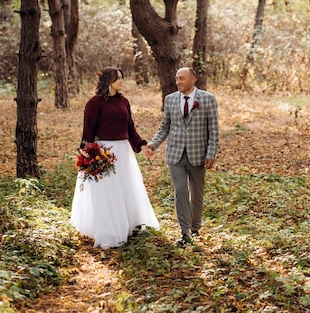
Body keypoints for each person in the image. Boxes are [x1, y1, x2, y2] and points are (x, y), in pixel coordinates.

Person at [70, 67, 159, 249]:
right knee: (107, 191)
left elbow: (130, 128)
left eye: (122, 77)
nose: (122, 81)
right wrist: (86, 154)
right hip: (104, 152)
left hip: (124, 152)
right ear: (108, 80)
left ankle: (131, 226)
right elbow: (88, 131)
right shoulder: (94, 103)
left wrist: (142, 145)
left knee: (125, 188)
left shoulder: (123, 101)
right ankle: (110, 230)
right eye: (118, 78)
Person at [145, 67, 219, 247]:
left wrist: (211, 154)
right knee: (180, 191)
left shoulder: (208, 99)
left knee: (197, 194)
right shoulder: (170, 99)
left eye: (182, 79)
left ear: (193, 79)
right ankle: (184, 232)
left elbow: (214, 131)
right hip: (175, 154)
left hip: (198, 155)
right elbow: (165, 126)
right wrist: (153, 144)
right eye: (177, 78)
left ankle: (195, 228)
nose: (178, 82)